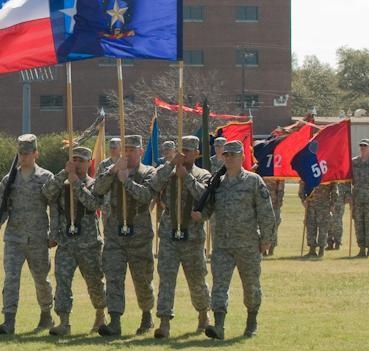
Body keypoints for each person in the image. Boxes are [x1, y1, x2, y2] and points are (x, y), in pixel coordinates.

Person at [193, 140, 275, 339]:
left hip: (247, 243)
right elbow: (208, 209)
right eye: (226, 155)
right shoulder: (217, 184)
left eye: (233, 155)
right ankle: (219, 326)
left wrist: (266, 238)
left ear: (242, 157)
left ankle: (251, 321)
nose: (229, 158)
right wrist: (199, 215)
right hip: (222, 244)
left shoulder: (253, 181)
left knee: (251, 285)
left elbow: (266, 212)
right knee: (219, 285)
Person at [0, 134, 55, 335]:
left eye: (27, 153)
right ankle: (8, 320)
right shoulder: (9, 179)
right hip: (14, 237)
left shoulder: (46, 177)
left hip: (37, 237)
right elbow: (2, 205)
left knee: (41, 279)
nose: (23, 157)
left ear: (36, 153)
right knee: (11, 278)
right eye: (20, 153)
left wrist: (54, 232)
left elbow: (54, 207)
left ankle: (46, 315)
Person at [147, 136, 212, 338]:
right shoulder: (168, 171)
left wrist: (188, 178)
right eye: (181, 150)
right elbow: (153, 186)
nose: (184, 154)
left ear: (197, 154)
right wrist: (170, 168)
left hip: (192, 237)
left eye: (189, 150)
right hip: (169, 235)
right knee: (166, 280)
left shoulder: (203, 174)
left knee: (196, 280)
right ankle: (164, 322)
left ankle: (203, 315)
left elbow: (206, 197)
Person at [93, 135, 156, 336]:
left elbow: (146, 196)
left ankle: (146, 315)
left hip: (139, 235)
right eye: (125, 149)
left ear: (140, 151)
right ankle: (115, 320)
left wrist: (127, 181)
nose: (128, 153)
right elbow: (98, 189)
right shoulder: (111, 171)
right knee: (113, 276)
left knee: (142, 278)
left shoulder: (148, 172)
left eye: (132, 149)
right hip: (114, 233)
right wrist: (113, 171)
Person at [42, 145, 106, 337]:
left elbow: (94, 203)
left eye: (81, 160)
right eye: (74, 160)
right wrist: (64, 174)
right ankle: (64, 322)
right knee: (62, 282)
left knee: (95, 282)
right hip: (66, 243)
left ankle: (100, 314)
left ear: (88, 163)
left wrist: (77, 183)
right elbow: (46, 193)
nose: (77, 163)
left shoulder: (94, 184)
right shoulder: (62, 183)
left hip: (89, 244)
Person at [300, 183, 335, 258]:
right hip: (311, 204)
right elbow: (302, 185)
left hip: (324, 205)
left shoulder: (328, 172)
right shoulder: (308, 171)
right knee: (310, 227)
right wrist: (303, 199)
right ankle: (312, 250)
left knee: (323, 228)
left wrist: (332, 204)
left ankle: (321, 250)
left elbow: (334, 190)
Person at [263, 177, 285, 256]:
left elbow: (281, 190)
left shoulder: (278, 172)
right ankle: (263, 251)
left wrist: (279, 204)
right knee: (262, 228)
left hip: (274, 205)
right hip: (261, 205)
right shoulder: (258, 169)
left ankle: (271, 250)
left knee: (274, 228)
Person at [327, 182, 348, 251]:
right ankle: (329, 243)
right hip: (328, 200)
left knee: (337, 222)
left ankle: (337, 243)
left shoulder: (341, 172)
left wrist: (347, 196)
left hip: (339, 201)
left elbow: (348, 183)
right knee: (328, 222)